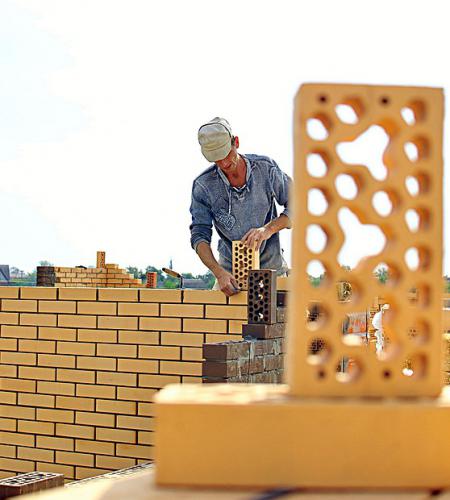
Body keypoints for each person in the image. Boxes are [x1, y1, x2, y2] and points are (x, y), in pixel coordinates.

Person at [189, 117, 292, 296]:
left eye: (226, 155)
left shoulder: (265, 169)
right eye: (217, 160)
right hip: (230, 278)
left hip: (272, 271)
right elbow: (199, 235)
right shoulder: (203, 186)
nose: (224, 164)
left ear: (235, 142)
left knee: (281, 314)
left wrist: (267, 230)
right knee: (219, 315)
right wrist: (218, 272)